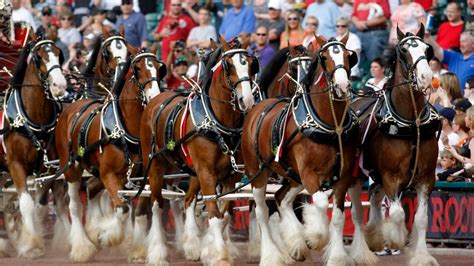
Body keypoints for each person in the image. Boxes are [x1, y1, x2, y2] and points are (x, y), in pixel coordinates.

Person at [351, 0, 390, 70]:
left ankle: (374, 77)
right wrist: (357, 23)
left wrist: (366, 23)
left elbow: (385, 16)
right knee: (356, 56)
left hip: (377, 31)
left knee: (374, 55)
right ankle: (358, 76)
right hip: (360, 32)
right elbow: (354, 15)